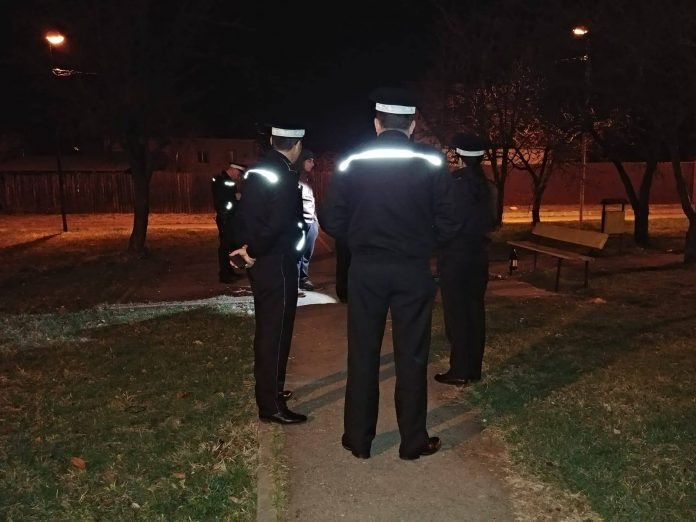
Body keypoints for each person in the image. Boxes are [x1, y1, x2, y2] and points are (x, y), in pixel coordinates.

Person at [321, 87, 462, 460]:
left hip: (366, 269)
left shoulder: (352, 159)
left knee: (362, 353)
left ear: (377, 123)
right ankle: (412, 441)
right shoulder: (432, 161)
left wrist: (360, 237)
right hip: (412, 268)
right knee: (412, 355)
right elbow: (450, 221)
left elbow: (332, 218)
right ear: (412, 125)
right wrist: (423, 242)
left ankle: (358, 439)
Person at [229, 121, 308, 425]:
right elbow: (278, 223)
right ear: (297, 145)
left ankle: (270, 390)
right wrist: (253, 251)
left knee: (267, 329)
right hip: (275, 261)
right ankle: (271, 404)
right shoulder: (284, 175)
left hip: (261, 262)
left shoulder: (256, 171)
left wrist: (244, 249)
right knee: (276, 333)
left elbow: (243, 215)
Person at [434, 132, 498, 386]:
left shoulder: (453, 184)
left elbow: (444, 222)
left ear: (459, 156)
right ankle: (473, 368)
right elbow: (493, 220)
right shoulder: (490, 187)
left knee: (456, 313)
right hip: (479, 255)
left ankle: (459, 369)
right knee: (474, 310)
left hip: (455, 256)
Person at [211, 163, 245, 283]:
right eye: (238, 173)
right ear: (233, 169)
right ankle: (225, 275)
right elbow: (224, 200)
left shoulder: (225, 180)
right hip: (226, 217)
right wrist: (236, 199)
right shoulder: (222, 180)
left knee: (228, 245)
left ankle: (229, 272)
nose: (238, 177)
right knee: (225, 247)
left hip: (228, 217)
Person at [295, 148, 319, 291]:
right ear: (301, 161)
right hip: (301, 222)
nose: (313, 164)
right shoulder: (294, 178)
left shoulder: (307, 178)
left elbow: (311, 200)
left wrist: (315, 220)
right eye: (309, 161)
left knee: (307, 253)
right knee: (298, 253)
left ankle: (303, 279)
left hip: (311, 220)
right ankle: (295, 282)